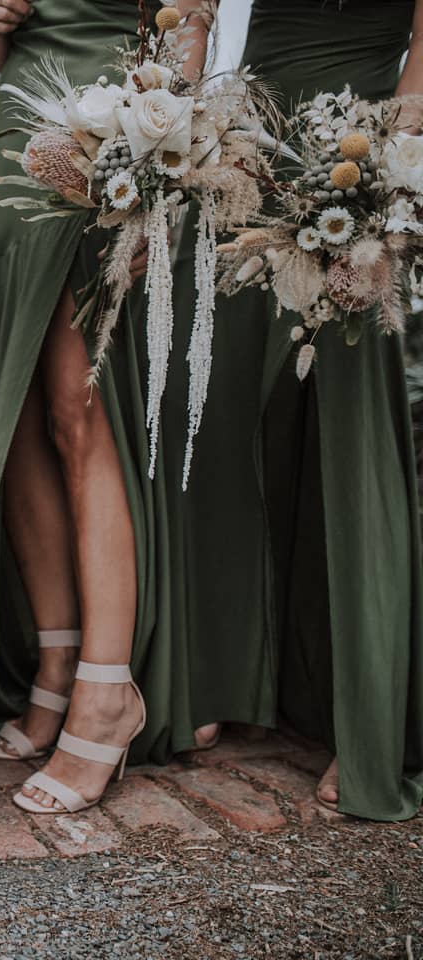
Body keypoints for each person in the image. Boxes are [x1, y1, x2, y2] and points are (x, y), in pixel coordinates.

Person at [0, 0, 208, 814]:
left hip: (112, 136)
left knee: (76, 410)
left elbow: (189, 26)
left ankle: (107, 688)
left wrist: (161, 170)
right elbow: (0, 36)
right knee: (8, 413)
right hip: (12, 132)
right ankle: (55, 658)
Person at [217, 0, 421, 819]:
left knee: (348, 428)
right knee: (228, 404)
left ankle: (364, 713)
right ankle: (230, 675)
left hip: (362, 151)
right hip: (251, 145)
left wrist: (388, 187)